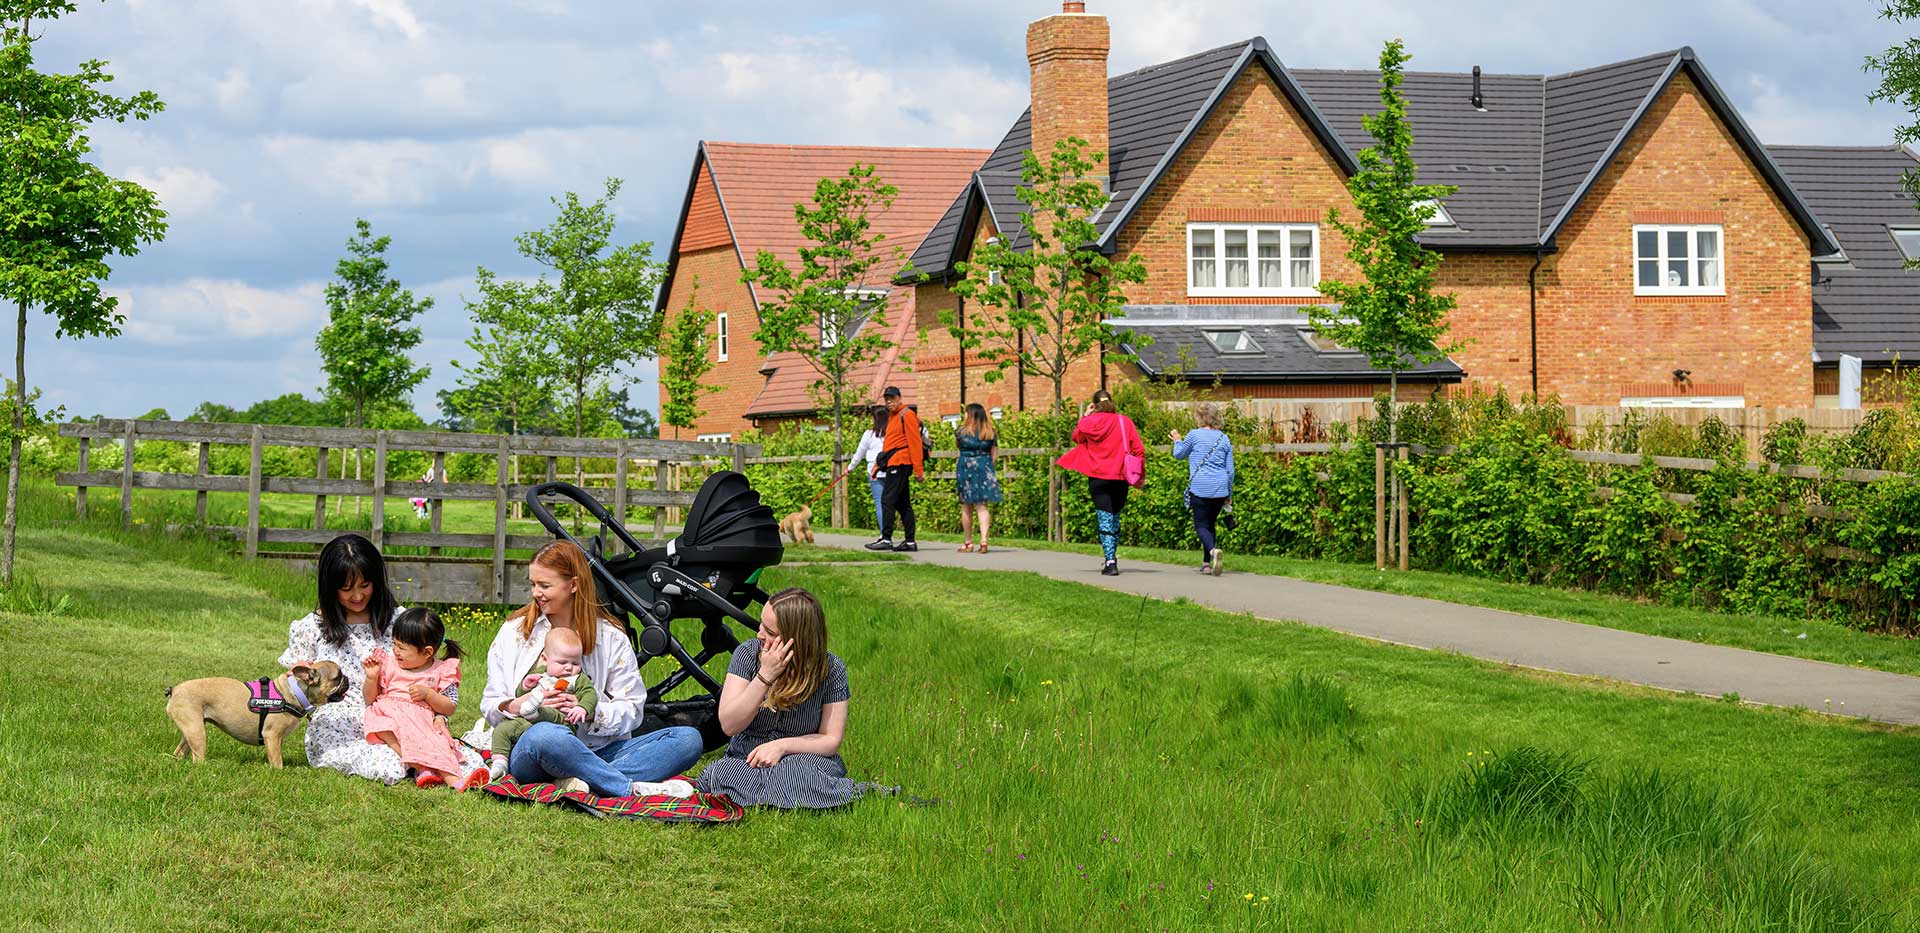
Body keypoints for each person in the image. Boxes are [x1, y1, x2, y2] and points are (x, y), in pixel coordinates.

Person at [482, 541, 704, 798]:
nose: (536, 593)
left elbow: (633, 709)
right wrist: (517, 705)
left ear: (573, 585)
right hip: (533, 746)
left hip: (596, 750)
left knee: (688, 740)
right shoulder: (516, 631)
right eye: (533, 584)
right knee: (547, 735)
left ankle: (576, 779)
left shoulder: (611, 637)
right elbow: (490, 701)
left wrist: (590, 713)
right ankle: (626, 787)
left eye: (545, 585)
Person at [696, 587, 893, 808]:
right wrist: (765, 676)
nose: (759, 634)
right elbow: (729, 725)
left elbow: (831, 739)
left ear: (796, 638)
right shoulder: (747, 655)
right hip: (747, 758)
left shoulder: (832, 669)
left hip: (802, 758)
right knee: (721, 773)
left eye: (770, 632)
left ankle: (768, 793)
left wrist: (782, 746)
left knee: (796, 773)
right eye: (761, 625)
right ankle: (805, 795)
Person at [279, 533, 429, 784]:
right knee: (384, 765)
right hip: (340, 722)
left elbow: (426, 665)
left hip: (394, 715)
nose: (357, 596)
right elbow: (296, 683)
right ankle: (411, 762)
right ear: (330, 587)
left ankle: (417, 759)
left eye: (364, 585)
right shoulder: (311, 627)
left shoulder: (398, 621)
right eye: (346, 589)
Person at [362, 608, 486, 790]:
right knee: (383, 727)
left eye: (402, 648)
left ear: (427, 652)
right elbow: (369, 699)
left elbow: (450, 707)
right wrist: (372, 678)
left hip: (422, 720)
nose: (395, 651)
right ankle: (421, 768)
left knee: (438, 744)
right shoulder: (388, 663)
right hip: (390, 715)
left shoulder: (441, 671)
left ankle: (456, 780)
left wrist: (429, 695)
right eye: (394, 643)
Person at [487, 628, 597, 783]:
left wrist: (582, 707)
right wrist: (525, 686)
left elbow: (590, 694)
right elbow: (519, 695)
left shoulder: (577, 679)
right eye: (562, 662)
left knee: (548, 713)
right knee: (502, 729)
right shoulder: (541, 675)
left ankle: (534, 712)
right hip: (528, 721)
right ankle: (500, 764)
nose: (569, 667)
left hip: (560, 721)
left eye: (575, 663)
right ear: (545, 659)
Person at [1056, 388, 1145, 576]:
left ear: (1094, 405)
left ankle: (1110, 561)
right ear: (1111, 402)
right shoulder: (1124, 421)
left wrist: (1086, 415)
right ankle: (1111, 556)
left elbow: (1076, 437)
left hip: (1098, 477)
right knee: (1115, 518)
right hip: (1120, 477)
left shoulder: (1090, 422)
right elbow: (1139, 449)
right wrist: (1140, 474)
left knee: (1105, 518)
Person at [1171, 402, 1236, 576]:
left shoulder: (1194, 435)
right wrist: (1229, 493)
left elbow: (1179, 455)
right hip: (1220, 488)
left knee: (1201, 525)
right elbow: (1230, 471)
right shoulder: (1224, 438)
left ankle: (1213, 551)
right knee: (1210, 524)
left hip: (1200, 486)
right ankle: (1207, 564)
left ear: (1199, 417)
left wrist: (1177, 440)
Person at [864, 385, 924, 553]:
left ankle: (886, 538)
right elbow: (889, 446)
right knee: (902, 503)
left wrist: (918, 469)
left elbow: (915, 443)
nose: (889, 402)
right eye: (886, 399)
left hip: (901, 462)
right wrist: (878, 466)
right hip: (892, 461)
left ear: (899, 398)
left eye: (892, 398)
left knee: (887, 499)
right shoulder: (892, 417)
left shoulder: (907, 415)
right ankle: (909, 542)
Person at [953, 402, 1003, 553]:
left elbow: (958, 447)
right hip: (984, 467)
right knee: (982, 506)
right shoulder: (990, 432)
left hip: (966, 468)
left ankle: (968, 542)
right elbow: (994, 455)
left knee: (966, 506)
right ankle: (984, 541)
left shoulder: (961, 432)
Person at [848, 405, 889, 531]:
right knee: (892, 503)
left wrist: (850, 468)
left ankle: (884, 533)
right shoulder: (892, 434)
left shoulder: (869, 435)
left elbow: (859, 454)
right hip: (891, 470)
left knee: (879, 503)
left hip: (874, 472)